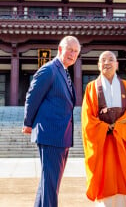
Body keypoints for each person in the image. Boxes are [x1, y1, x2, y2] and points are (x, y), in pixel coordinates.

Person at [81, 51, 126, 206]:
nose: (107, 63)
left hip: (124, 142)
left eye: (111, 59)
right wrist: (105, 128)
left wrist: (119, 127)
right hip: (103, 144)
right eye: (103, 60)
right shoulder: (91, 88)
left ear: (117, 64)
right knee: (106, 179)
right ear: (98, 65)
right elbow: (88, 119)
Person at [22, 35, 81, 207]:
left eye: (76, 51)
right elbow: (32, 96)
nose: (72, 54)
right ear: (60, 49)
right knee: (51, 184)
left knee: (49, 182)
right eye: (70, 50)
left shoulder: (63, 71)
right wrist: (28, 123)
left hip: (61, 135)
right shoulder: (49, 69)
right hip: (50, 134)